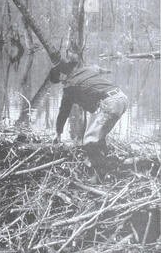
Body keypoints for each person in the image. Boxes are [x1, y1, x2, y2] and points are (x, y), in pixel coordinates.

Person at [50, 53, 129, 182]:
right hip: (122, 98)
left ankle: (99, 176)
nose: (62, 83)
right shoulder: (87, 70)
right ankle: (104, 163)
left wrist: (58, 132)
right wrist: (107, 71)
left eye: (60, 80)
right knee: (99, 135)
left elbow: (64, 111)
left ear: (61, 75)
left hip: (110, 103)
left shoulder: (70, 86)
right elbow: (98, 69)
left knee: (90, 140)